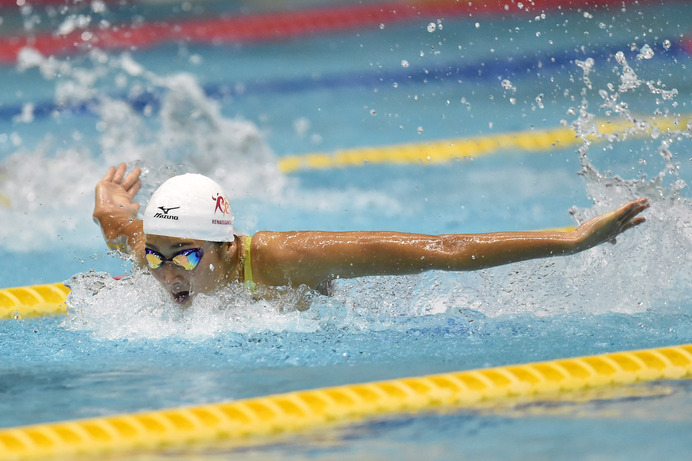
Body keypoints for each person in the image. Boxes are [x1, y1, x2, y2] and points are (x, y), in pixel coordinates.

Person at [93, 163, 649, 306]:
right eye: (154, 260)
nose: (167, 275)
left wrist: (573, 240)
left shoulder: (283, 259)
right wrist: (110, 204)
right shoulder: (153, 245)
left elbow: (445, 252)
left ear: (223, 245)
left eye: (185, 260)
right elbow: (115, 224)